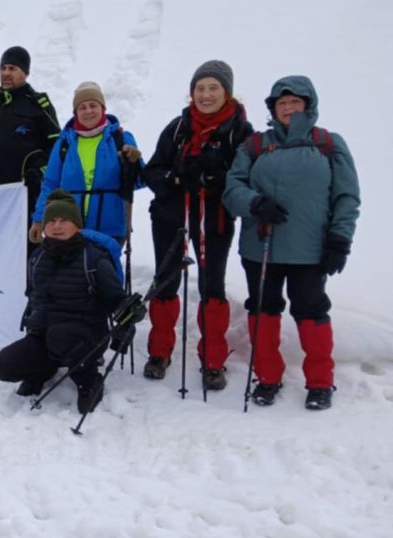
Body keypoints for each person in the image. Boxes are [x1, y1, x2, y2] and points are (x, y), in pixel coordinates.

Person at [223, 75, 360, 410]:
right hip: (261, 246)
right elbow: (232, 188)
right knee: (263, 309)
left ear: (307, 105)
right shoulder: (255, 145)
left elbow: (347, 196)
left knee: (311, 311)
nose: (287, 108)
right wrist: (255, 203)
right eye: (281, 103)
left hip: (311, 249)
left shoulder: (328, 144)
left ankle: (320, 382)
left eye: (294, 102)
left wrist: (340, 238)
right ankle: (267, 377)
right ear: (273, 108)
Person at [141, 61, 254, 389]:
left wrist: (215, 179)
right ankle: (160, 352)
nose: (205, 95)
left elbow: (243, 179)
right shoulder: (178, 127)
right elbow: (153, 171)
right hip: (171, 218)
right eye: (200, 88)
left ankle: (213, 360)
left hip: (214, 220)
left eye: (213, 88)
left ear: (226, 92)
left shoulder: (239, 132)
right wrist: (176, 178)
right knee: (165, 282)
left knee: (212, 287)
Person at [0, 190, 131, 413]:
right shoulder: (37, 258)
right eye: (52, 221)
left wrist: (129, 315)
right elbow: (34, 297)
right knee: (1, 366)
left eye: (64, 220)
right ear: (44, 227)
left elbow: (117, 300)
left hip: (87, 336)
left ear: (76, 225)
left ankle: (88, 379)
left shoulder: (93, 258)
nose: (57, 226)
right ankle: (41, 370)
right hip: (45, 335)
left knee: (60, 336)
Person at [0, 46, 61, 248]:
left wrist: (37, 171)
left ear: (25, 73)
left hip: (24, 199)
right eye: (3, 68)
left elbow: (57, 149)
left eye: (13, 68)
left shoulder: (38, 105)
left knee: (24, 253)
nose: (6, 73)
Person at [29, 81, 144, 246]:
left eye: (93, 105)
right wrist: (39, 218)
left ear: (102, 108)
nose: (88, 111)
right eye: (82, 107)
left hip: (110, 229)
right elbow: (50, 184)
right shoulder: (64, 143)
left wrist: (134, 163)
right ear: (75, 112)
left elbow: (139, 181)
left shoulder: (121, 139)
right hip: (69, 228)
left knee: (104, 271)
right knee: (71, 272)